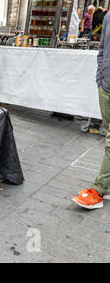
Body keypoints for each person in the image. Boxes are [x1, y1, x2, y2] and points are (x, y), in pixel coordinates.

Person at [72, 12, 110, 209]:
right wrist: (100, 80)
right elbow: (102, 49)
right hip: (106, 87)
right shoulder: (108, 16)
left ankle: (100, 189)